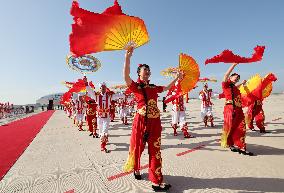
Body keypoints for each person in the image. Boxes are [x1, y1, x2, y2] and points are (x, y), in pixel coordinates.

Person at [123, 47, 183, 192]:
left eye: (149, 70)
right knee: (138, 148)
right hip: (141, 121)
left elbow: (166, 87)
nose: (148, 72)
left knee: (155, 150)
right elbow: (125, 76)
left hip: (155, 122)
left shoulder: (153, 87)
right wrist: (127, 57)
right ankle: (136, 169)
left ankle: (156, 180)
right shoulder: (136, 86)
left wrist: (177, 78)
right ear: (139, 73)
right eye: (145, 70)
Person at [221, 63, 253, 156]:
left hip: (239, 109)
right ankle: (231, 144)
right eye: (235, 77)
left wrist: (242, 84)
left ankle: (241, 146)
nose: (237, 79)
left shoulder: (234, 87)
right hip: (230, 109)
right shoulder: (225, 85)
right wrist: (233, 65)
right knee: (231, 127)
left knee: (241, 127)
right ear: (230, 77)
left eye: (238, 78)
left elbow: (236, 87)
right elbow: (225, 75)